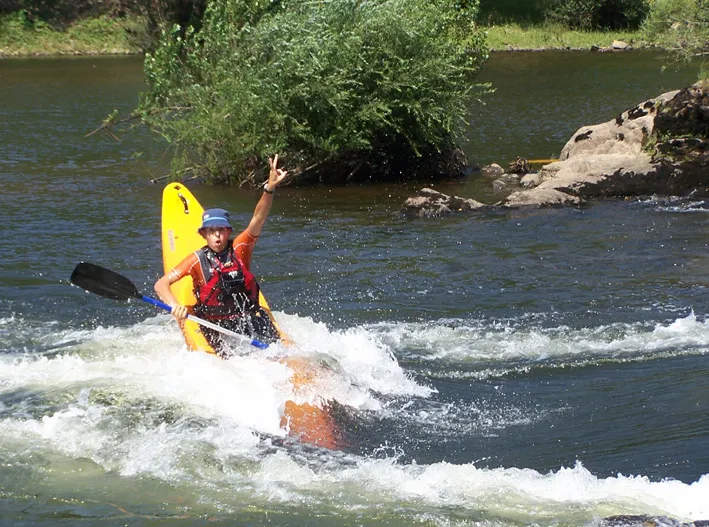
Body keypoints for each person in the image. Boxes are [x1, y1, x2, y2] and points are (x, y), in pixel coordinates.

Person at [154, 155, 289, 356]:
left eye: (222, 230)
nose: (217, 235)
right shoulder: (195, 260)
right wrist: (175, 306)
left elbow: (258, 218)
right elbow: (161, 284)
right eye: (211, 230)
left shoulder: (240, 248)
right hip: (214, 326)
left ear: (228, 231)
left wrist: (269, 189)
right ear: (203, 234)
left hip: (249, 319)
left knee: (286, 354)